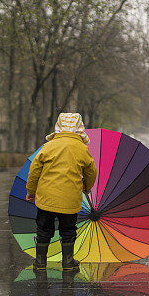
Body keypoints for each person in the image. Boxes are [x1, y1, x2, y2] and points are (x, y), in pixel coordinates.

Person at [26, 112, 97, 271]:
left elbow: (34, 171)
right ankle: (68, 262)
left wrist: (31, 190)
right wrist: (87, 187)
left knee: (43, 229)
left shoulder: (48, 146)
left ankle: (40, 262)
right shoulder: (81, 148)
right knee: (68, 230)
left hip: (46, 199)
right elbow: (91, 171)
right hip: (70, 200)